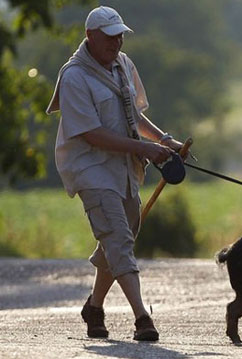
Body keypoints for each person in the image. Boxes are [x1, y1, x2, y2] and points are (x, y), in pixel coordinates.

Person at [46, 6, 183, 341]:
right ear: (90, 36)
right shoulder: (74, 76)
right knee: (119, 240)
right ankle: (142, 319)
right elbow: (90, 134)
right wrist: (144, 149)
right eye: (110, 35)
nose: (117, 41)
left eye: (120, 34)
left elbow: (132, 115)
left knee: (116, 240)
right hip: (90, 169)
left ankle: (94, 308)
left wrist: (163, 140)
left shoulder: (124, 65)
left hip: (124, 168)